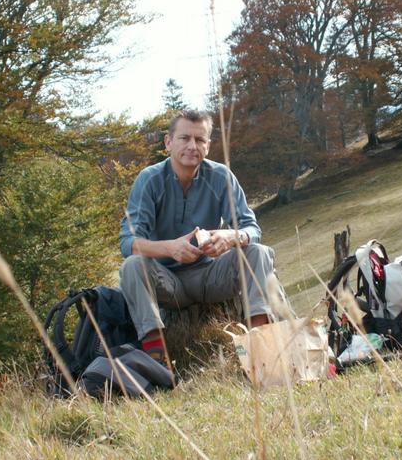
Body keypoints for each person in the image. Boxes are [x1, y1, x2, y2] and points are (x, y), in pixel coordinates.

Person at [119, 109, 282, 365]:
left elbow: (253, 230)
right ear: (168, 142)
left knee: (258, 253)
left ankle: (262, 349)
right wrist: (170, 248)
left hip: (210, 274)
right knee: (131, 266)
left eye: (200, 140)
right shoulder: (149, 180)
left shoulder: (221, 176)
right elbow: (128, 243)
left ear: (208, 145)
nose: (192, 146)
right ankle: (157, 361)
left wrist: (231, 236)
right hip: (168, 282)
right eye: (184, 138)